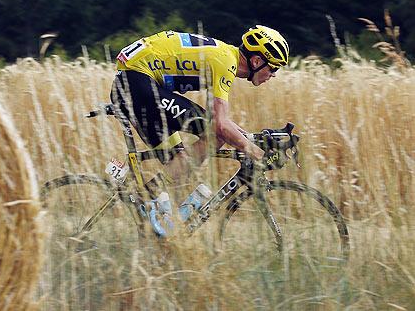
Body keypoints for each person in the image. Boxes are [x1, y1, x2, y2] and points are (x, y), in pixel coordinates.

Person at [110, 25, 289, 236]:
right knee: (215, 134)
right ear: (257, 61)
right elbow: (221, 126)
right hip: (137, 83)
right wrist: (256, 152)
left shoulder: (224, 56)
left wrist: (251, 139)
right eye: (274, 68)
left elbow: (221, 122)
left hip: (135, 84)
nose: (274, 75)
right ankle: (149, 201)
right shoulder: (226, 61)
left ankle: (150, 208)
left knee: (178, 164)